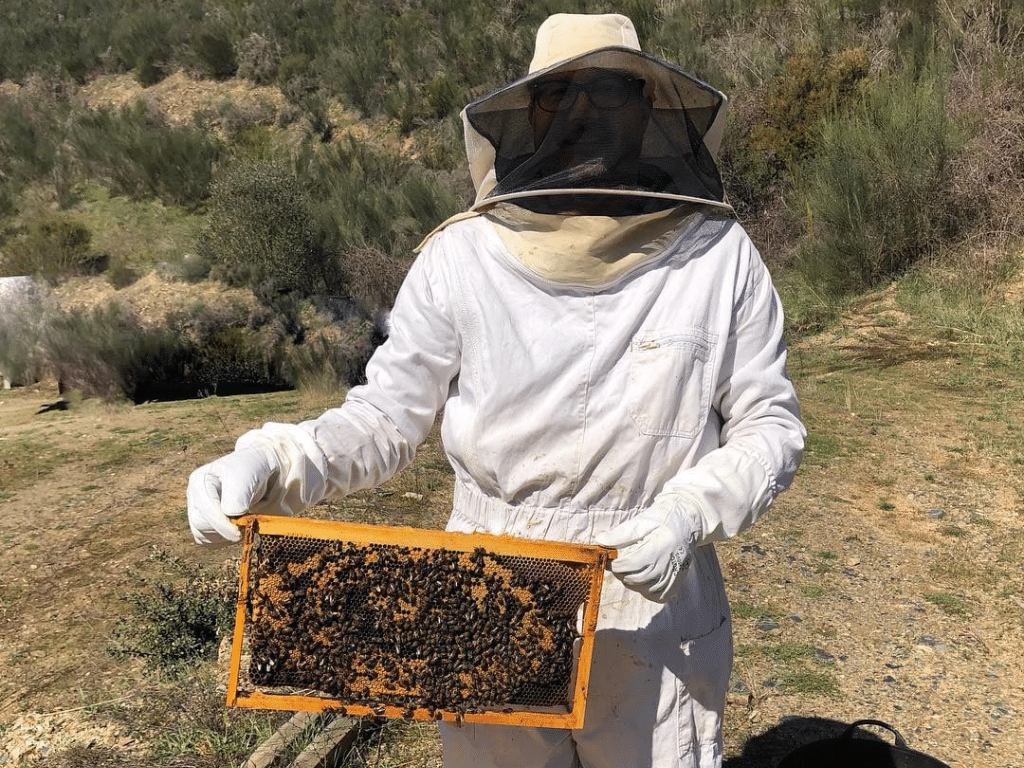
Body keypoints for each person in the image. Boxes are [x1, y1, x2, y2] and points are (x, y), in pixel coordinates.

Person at [187, 12, 805, 768]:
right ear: (530, 112)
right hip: (489, 594)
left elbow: (769, 424)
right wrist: (278, 461)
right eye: (564, 97)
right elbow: (386, 417)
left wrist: (688, 512)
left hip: (652, 601)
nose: (586, 117)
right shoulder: (461, 257)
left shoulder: (718, 255)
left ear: (648, 110)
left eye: (610, 94)